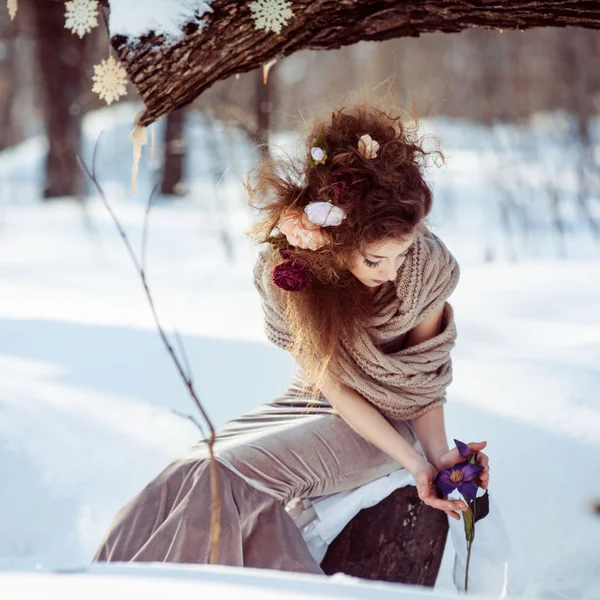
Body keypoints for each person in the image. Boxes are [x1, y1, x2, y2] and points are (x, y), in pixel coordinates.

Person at [93, 102, 490, 575]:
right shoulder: (291, 275)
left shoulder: (425, 272)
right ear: (339, 243)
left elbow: (424, 386)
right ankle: (113, 584)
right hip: (320, 404)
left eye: (400, 253)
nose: (390, 272)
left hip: (392, 427)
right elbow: (334, 388)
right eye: (374, 260)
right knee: (189, 469)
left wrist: (430, 461)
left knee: (220, 478)